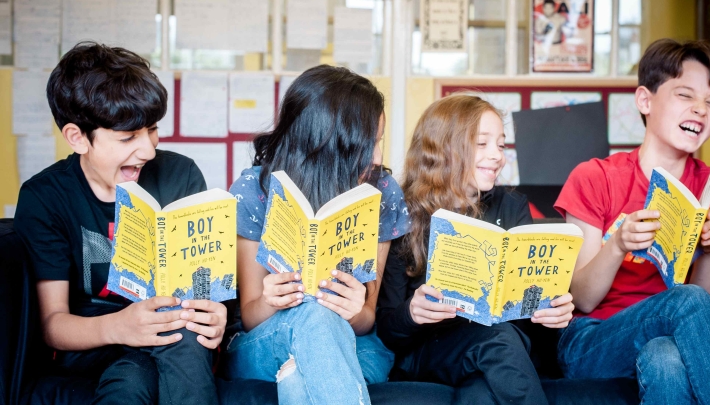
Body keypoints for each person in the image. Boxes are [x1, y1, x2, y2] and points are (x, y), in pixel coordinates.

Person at [14, 42, 226, 405]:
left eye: (153, 130)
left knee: (168, 342)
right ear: (77, 137)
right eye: (128, 138)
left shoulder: (179, 174)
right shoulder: (45, 197)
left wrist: (215, 312)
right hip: (96, 341)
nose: (147, 150)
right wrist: (121, 326)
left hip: (171, 332)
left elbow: (199, 285)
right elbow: (53, 324)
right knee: (136, 369)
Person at [554, 38, 710, 404]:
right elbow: (581, 298)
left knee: (665, 358)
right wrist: (618, 244)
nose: (700, 110)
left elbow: (706, 307)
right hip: (593, 340)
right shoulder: (595, 177)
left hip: (673, 338)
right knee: (684, 301)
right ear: (645, 100)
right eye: (685, 95)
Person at [222, 65, 410, 404]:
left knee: (300, 377)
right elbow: (250, 317)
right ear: (328, 147)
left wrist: (354, 310)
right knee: (314, 317)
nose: (378, 157)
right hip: (267, 339)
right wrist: (269, 300)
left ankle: (297, 372)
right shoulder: (255, 190)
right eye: (368, 145)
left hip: (354, 340)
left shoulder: (381, 191)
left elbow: (367, 319)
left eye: (379, 142)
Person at [376, 94, 575, 405]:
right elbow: (388, 329)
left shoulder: (512, 206)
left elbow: (529, 318)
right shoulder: (404, 212)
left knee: (483, 391)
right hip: (432, 349)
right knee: (498, 340)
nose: (496, 155)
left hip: (502, 350)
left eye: (501, 144)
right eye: (482, 144)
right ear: (443, 148)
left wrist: (551, 311)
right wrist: (413, 313)